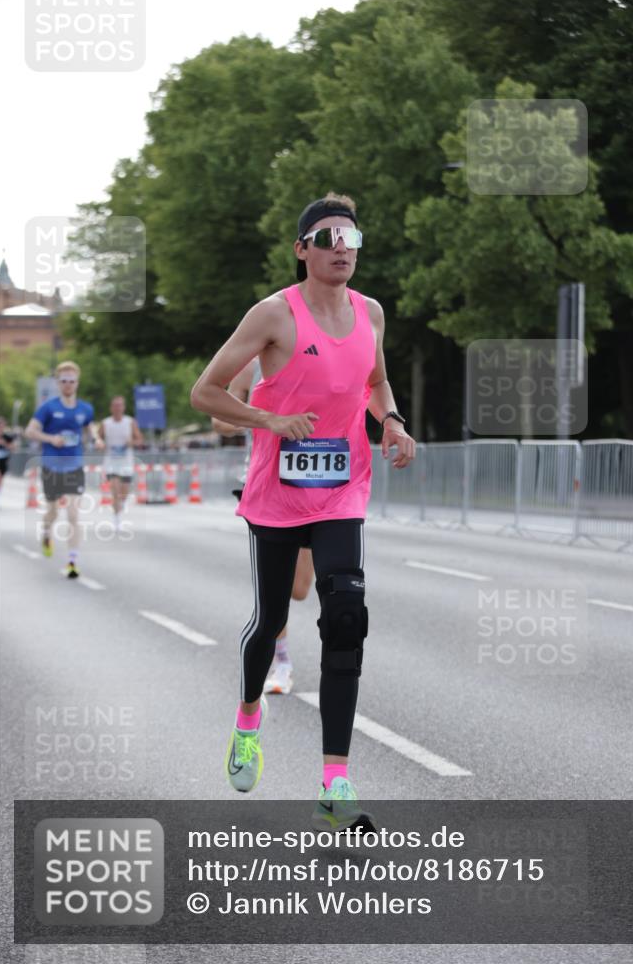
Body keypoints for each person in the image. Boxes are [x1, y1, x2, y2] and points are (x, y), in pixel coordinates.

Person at [191, 192, 415, 831]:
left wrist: (392, 423)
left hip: (343, 489)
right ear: (303, 251)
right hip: (277, 493)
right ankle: (248, 717)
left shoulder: (370, 312)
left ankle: (334, 782)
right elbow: (205, 392)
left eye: (351, 238)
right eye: (327, 238)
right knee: (269, 621)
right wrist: (268, 418)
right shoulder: (273, 316)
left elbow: (374, 382)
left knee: (346, 617)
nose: (341, 247)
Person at [211, 357, 314, 695]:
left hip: (315, 479)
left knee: (299, 589)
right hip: (267, 483)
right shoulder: (248, 366)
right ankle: (282, 663)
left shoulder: (318, 356)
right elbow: (219, 421)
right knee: (277, 588)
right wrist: (262, 418)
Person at [24, 360, 103, 578]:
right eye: (64, 381)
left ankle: (72, 560)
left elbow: (90, 426)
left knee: (73, 513)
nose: (68, 384)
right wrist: (51, 438)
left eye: (72, 381)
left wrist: (96, 438)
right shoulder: (48, 408)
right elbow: (30, 431)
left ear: (77, 383)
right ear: (58, 383)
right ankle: (47, 531)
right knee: (52, 511)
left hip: (74, 465)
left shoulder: (85, 408)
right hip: (51, 466)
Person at [97, 396, 143, 531]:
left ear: (123, 407)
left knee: (124, 492)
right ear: (111, 408)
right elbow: (97, 438)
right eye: (115, 405)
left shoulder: (130, 422)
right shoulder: (106, 423)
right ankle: (117, 520)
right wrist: (100, 444)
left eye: (120, 405)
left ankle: (120, 507)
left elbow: (139, 439)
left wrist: (132, 443)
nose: (117, 408)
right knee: (115, 490)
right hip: (111, 461)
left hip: (126, 462)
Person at [0, 417, 16, 510]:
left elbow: (13, 448)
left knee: (0, 481)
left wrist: (5, 444)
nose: (1, 427)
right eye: (0, 425)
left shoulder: (7, 437)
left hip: (3, 461)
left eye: (3, 425)